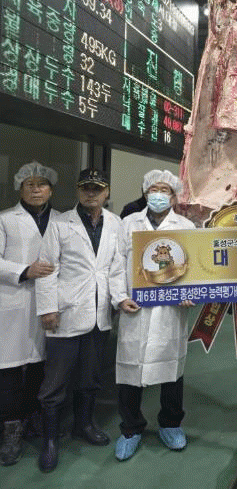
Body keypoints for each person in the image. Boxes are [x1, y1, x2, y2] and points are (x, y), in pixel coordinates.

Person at [35, 168, 137, 472]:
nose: (91, 193)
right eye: (85, 188)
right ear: (78, 191)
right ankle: (50, 441)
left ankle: (84, 425)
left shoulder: (115, 223)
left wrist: (120, 298)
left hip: (99, 314)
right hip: (65, 313)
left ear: (106, 192)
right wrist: (48, 309)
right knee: (55, 381)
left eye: (97, 189)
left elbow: (116, 268)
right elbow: (47, 268)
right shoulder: (60, 223)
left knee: (91, 377)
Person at [114, 169, 195, 461]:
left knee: (172, 370)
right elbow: (116, 263)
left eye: (165, 190)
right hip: (135, 307)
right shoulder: (128, 223)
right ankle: (130, 428)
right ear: (145, 193)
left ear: (174, 197)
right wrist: (120, 297)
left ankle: (171, 424)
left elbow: (193, 267)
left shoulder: (185, 226)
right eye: (153, 190)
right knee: (129, 370)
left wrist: (190, 293)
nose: (159, 195)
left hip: (170, 311)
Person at [0, 162, 59, 466]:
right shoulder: (5, 220)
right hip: (14, 301)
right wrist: (25, 270)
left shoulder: (62, 220)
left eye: (42, 184)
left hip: (51, 304)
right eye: (30, 184)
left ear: (51, 189)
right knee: (9, 369)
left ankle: (33, 416)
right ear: (20, 188)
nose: (36, 189)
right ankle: (11, 428)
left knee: (41, 365)